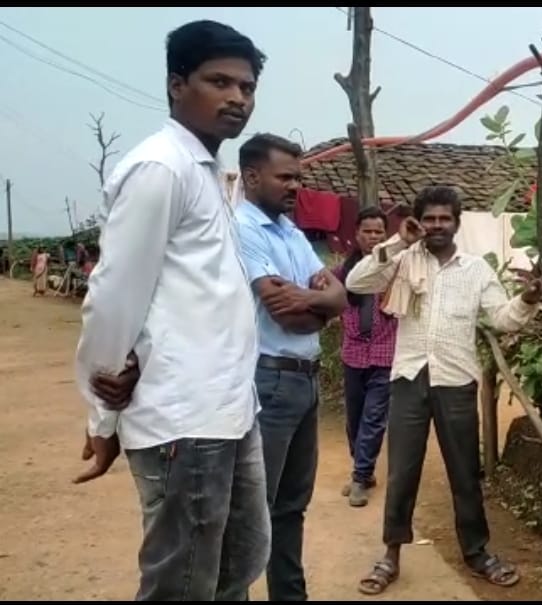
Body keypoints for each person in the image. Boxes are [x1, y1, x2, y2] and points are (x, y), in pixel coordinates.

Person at [72, 20, 271, 601]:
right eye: (219, 82)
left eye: (247, 87)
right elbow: (114, 296)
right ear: (177, 84)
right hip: (185, 416)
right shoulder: (161, 168)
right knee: (182, 584)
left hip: (231, 409)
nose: (237, 98)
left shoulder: (206, 173)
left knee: (238, 564)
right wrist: (103, 418)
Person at [345, 185, 542, 595]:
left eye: (444, 219)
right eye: (429, 218)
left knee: (465, 472)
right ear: (418, 221)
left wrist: (527, 298)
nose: (437, 226)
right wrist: (399, 240)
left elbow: (502, 318)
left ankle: (477, 553)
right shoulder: (402, 259)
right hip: (408, 378)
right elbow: (357, 281)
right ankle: (391, 555)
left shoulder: (476, 270)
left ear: (457, 222)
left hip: (456, 381)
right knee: (402, 472)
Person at [234, 133, 347, 600]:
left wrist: (316, 301)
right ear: (251, 176)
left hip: (304, 380)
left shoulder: (290, 232)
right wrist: (319, 304)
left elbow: (339, 297)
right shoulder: (243, 228)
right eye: (285, 177)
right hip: (270, 379)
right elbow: (285, 314)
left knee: (291, 505)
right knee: (253, 508)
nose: (295, 186)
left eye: (298, 178)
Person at [332, 206, 397, 508]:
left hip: (385, 354)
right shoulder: (344, 273)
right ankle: (363, 469)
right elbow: (326, 296)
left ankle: (360, 477)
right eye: (367, 231)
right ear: (356, 235)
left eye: (379, 232)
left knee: (373, 418)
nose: (373, 237)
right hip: (353, 355)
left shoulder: (396, 270)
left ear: (386, 236)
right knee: (354, 419)